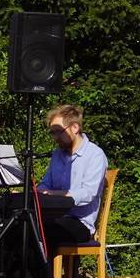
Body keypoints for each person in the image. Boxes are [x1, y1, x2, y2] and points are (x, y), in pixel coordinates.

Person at [39, 103, 110, 251]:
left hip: (80, 223)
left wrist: (54, 194)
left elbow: (88, 194)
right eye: (52, 133)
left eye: (58, 132)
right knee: (22, 225)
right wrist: (35, 192)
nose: (55, 138)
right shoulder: (57, 155)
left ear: (75, 128)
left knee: (42, 231)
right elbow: (45, 184)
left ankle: (39, 266)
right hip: (55, 218)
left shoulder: (95, 155)